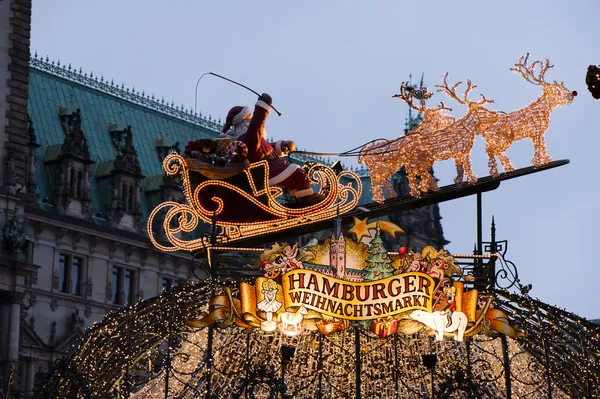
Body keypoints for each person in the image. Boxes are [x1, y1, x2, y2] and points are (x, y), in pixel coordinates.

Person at [221, 93, 325, 206]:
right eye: (249, 117)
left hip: (270, 166)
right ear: (245, 120)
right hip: (268, 169)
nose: (251, 119)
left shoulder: (249, 138)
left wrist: (282, 146)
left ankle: (298, 198)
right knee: (299, 174)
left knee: (297, 175)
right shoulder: (249, 136)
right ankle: (304, 200)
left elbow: (264, 148)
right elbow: (257, 124)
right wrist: (262, 106)